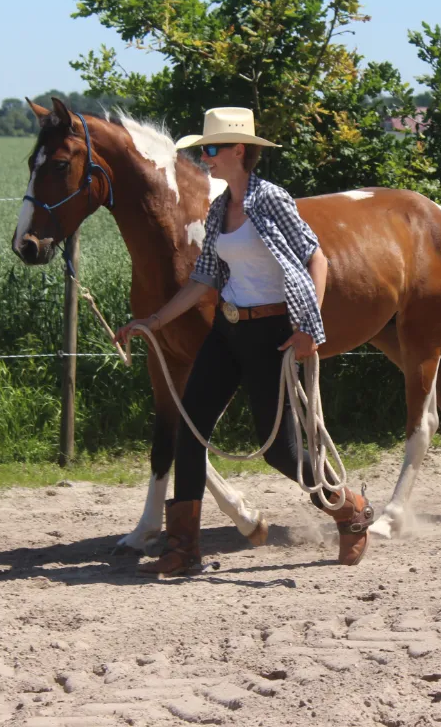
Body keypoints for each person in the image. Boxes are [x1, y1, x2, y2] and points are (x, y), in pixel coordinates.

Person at [114, 107, 373, 576]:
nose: (205, 158)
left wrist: (308, 327)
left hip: (271, 334)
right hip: (227, 329)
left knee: (282, 452)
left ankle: (348, 510)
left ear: (238, 151)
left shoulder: (272, 199)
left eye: (211, 149)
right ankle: (183, 549)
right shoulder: (218, 210)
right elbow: (203, 279)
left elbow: (317, 260)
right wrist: (152, 320)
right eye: (202, 150)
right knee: (190, 431)